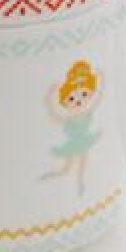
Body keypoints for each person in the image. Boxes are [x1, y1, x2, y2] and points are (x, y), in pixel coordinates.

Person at [41, 60, 103, 195]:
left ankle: (80, 184)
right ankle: (51, 176)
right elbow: (54, 115)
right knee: (67, 168)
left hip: (84, 142)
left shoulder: (87, 112)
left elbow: (98, 98)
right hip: (73, 145)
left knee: (82, 164)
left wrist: (101, 81)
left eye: (84, 94)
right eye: (71, 99)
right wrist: (48, 98)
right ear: (65, 103)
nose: (78, 101)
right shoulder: (69, 120)